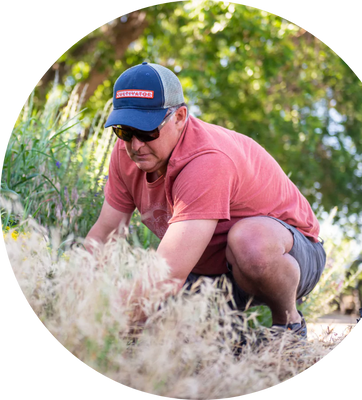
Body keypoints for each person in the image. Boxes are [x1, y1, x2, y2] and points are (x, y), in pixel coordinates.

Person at [84, 61, 326, 338]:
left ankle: (288, 325)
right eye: (125, 131)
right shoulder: (126, 153)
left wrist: (97, 325)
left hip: (289, 255)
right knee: (160, 338)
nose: (136, 145)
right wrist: (73, 297)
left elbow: (167, 276)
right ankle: (229, 331)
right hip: (210, 270)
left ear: (179, 117)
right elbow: (105, 234)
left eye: (148, 131)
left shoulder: (207, 160)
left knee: (249, 241)